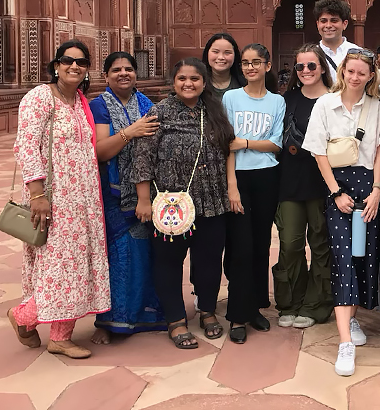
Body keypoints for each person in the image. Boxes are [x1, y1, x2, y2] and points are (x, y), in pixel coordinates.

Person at [8, 40, 110, 359]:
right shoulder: (39, 97)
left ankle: (58, 335)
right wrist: (37, 194)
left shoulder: (80, 102)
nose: (74, 66)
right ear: (56, 65)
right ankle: (24, 317)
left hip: (84, 200)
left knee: (75, 266)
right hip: (53, 199)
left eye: (81, 62)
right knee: (57, 265)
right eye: (68, 60)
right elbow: (25, 146)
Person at [132, 57, 234, 349]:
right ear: (173, 82)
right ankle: (176, 319)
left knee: (209, 262)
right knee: (168, 262)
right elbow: (143, 158)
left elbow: (228, 149)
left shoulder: (214, 111)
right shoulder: (159, 113)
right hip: (170, 204)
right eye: (182, 79)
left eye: (195, 79)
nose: (188, 84)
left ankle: (207, 310)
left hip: (212, 201)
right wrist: (143, 200)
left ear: (204, 83)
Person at [302, 47, 380, 376]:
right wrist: (335, 192)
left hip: (369, 187)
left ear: (370, 76)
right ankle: (345, 344)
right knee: (342, 258)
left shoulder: (376, 107)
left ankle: (351, 319)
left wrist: (378, 190)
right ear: (342, 72)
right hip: (339, 188)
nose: (355, 77)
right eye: (350, 71)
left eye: (361, 72)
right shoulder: (325, 104)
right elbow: (319, 152)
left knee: (363, 255)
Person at [89, 52, 165, 345]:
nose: (124, 74)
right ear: (106, 76)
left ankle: (146, 314)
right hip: (113, 196)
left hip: (149, 193)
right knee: (119, 256)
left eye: (129, 69)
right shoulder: (99, 106)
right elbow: (101, 151)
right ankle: (110, 321)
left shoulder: (146, 104)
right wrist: (130, 132)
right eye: (117, 70)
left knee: (147, 254)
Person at [222, 44, 286, 343]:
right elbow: (226, 144)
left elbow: (276, 144)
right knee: (240, 247)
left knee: (261, 245)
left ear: (267, 65)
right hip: (239, 179)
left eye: (256, 62)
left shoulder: (277, 102)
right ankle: (237, 315)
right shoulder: (231, 98)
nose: (250, 67)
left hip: (267, 177)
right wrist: (231, 185)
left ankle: (256, 307)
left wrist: (246, 142)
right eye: (245, 63)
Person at [274, 44, 335, 330]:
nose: (306, 71)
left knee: (321, 244)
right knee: (290, 244)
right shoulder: (287, 100)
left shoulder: (335, 99)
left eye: (312, 65)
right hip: (290, 182)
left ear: (322, 67)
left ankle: (317, 304)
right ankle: (290, 302)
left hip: (324, 183)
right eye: (300, 67)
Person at [314, 0, 359, 82]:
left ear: (344, 24)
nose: (328, 25)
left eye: (334, 21)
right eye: (323, 21)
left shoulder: (357, 52)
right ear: (317, 24)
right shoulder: (311, 54)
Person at [202, 33, 248, 101]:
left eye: (227, 52)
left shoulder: (245, 84)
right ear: (207, 53)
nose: (221, 57)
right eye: (215, 52)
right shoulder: (199, 82)